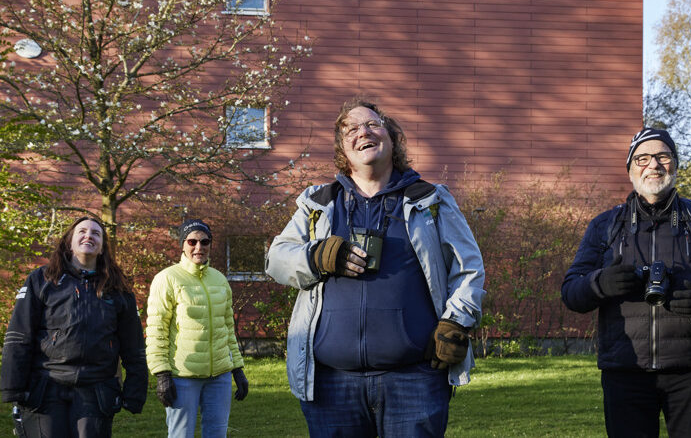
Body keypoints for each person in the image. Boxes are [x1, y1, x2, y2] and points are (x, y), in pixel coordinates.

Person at [266, 96, 485, 437]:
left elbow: (468, 268)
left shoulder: (432, 199)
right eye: (351, 128)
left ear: (391, 137)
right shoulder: (317, 204)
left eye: (372, 124)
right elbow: (276, 259)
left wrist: (456, 321)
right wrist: (317, 256)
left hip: (414, 380)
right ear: (343, 148)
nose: (362, 132)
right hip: (331, 384)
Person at [561, 128, 691, 438]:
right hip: (625, 369)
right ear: (630, 169)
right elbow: (570, 292)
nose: (654, 165)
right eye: (643, 158)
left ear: (675, 165)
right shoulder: (605, 225)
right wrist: (599, 284)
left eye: (663, 157)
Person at [0, 216, 148, 437]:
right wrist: (13, 386)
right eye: (82, 231)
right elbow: (19, 335)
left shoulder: (118, 288)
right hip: (45, 387)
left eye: (96, 233)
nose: (89, 235)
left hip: (96, 390)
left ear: (102, 248)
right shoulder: (42, 280)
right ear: (69, 242)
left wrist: (134, 392)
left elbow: (133, 346)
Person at [146, 219, 249, 438]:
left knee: (216, 434)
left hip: (219, 377)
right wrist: (162, 374)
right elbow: (157, 330)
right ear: (182, 244)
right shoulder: (167, 278)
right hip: (183, 376)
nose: (198, 247)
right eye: (192, 241)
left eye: (205, 241)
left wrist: (237, 369)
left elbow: (228, 329)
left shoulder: (220, 280)